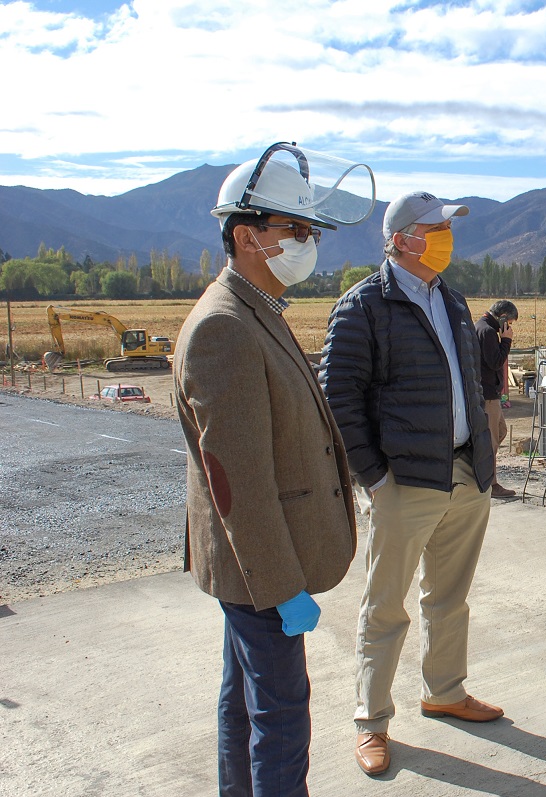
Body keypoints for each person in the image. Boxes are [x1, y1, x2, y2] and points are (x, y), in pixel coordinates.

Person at [175, 143, 367, 796]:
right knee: (281, 714)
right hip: (259, 566)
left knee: (245, 701)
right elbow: (240, 483)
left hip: (254, 565)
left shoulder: (257, 308)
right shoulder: (224, 328)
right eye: (297, 229)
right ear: (247, 235)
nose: (308, 243)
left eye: (310, 230)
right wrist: (282, 584)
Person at [319, 190, 502, 779]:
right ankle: (371, 723)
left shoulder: (450, 298)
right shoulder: (362, 306)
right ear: (401, 239)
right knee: (385, 605)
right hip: (405, 480)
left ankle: (444, 691)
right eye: (435, 228)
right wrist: (375, 476)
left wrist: (483, 454)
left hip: (465, 473)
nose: (446, 237)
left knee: (449, 595)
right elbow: (339, 399)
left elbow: (467, 384)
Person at [476, 300, 519, 498]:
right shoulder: (487, 332)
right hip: (487, 395)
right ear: (502, 317)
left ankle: (482, 474)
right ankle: (491, 485)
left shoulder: (484, 328)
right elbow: (495, 362)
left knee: (500, 432)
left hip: (491, 394)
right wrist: (506, 341)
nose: (509, 327)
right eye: (509, 322)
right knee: (491, 442)